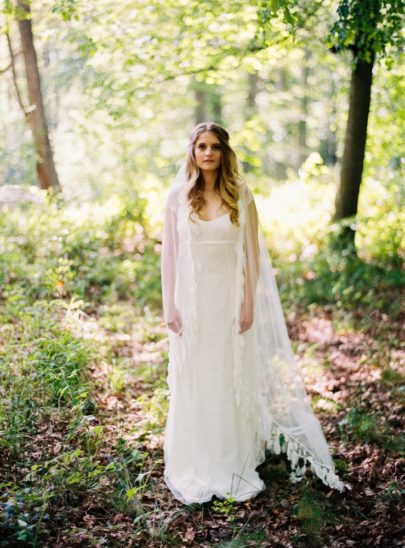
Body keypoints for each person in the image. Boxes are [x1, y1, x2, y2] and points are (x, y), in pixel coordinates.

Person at [160, 122, 350, 505]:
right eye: (201, 146)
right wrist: (171, 306)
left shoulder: (241, 194)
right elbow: (169, 257)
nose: (208, 152)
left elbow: (251, 256)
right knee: (197, 378)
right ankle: (197, 459)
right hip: (193, 305)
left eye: (215, 146)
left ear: (224, 152)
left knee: (228, 377)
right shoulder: (178, 197)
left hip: (230, 303)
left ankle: (233, 458)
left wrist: (248, 303)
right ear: (192, 152)